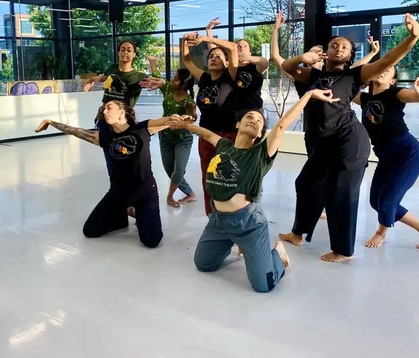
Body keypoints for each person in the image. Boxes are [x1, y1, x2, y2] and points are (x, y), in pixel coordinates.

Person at [278, 13, 419, 262]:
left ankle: (344, 250)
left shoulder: (355, 76)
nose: (338, 48)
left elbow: (388, 59)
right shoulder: (313, 76)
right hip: (324, 143)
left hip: (349, 142)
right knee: (306, 183)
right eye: (334, 45)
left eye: (344, 46)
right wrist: (303, 57)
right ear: (326, 51)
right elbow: (286, 67)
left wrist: (413, 37)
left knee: (340, 193)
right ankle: (297, 233)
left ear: (350, 55)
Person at [167, 88, 338, 292]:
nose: (254, 120)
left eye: (259, 121)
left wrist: (308, 95)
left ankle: (276, 254)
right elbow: (206, 133)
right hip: (219, 221)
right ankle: (233, 243)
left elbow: (282, 125)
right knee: (203, 265)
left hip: (248, 224)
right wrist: (186, 125)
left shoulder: (260, 154)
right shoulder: (225, 147)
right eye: (249, 117)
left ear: (259, 134)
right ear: (238, 124)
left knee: (263, 286)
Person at [270, 11, 381, 221]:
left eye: (318, 52)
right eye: (312, 52)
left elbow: (356, 68)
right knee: (314, 176)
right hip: (314, 133)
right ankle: (315, 209)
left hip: (337, 131)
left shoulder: (339, 75)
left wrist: (372, 54)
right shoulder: (304, 77)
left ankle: (324, 208)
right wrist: (276, 30)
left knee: (327, 175)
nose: (315, 54)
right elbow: (279, 60)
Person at [34, 100, 179, 248]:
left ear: (122, 112)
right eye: (104, 109)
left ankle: (137, 212)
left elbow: (167, 120)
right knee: (90, 230)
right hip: (118, 193)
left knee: (151, 241)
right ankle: (120, 218)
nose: (104, 112)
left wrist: (177, 117)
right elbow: (75, 131)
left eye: (109, 108)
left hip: (145, 192)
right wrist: (51, 122)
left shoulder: (143, 129)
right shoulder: (105, 137)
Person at [353, 68, 419, 249]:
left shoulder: (394, 94)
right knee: (376, 200)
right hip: (385, 156)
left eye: (388, 70)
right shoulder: (365, 99)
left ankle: (381, 233)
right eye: (381, 67)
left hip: (407, 154)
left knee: (388, 199)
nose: (382, 70)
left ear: (393, 81)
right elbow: (345, 89)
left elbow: (416, 97)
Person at [181, 31, 240, 216]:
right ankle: (212, 214)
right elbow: (188, 61)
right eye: (211, 56)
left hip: (228, 135)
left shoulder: (230, 76)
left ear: (227, 62)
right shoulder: (205, 78)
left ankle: (233, 213)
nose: (214, 58)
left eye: (218, 56)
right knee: (208, 175)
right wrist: (184, 42)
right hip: (206, 135)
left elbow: (231, 47)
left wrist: (207, 39)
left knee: (230, 176)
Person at [83, 41, 148, 176]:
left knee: (125, 153)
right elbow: (103, 77)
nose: (125, 52)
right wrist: (92, 80)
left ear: (134, 54)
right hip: (104, 118)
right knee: (110, 154)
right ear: (118, 52)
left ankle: (128, 182)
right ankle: (116, 185)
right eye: (122, 49)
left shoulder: (138, 76)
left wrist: (159, 81)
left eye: (129, 50)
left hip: (123, 122)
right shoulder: (112, 68)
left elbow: (155, 80)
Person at [141, 57, 198, 207]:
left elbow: (193, 118)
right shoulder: (168, 89)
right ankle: (190, 194)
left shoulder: (188, 101)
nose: (173, 80)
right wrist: (153, 62)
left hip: (182, 139)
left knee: (178, 171)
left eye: (177, 79)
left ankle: (170, 197)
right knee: (169, 170)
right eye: (174, 77)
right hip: (165, 136)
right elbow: (158, 77)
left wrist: (190, 116)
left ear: (185, 84)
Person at [206, 17, 269, 113]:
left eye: (245, 46)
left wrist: (246, 58)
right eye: (238, 46)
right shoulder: (231, 67)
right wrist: (208, 30)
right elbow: (214, 51)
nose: (241, 48)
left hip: (254, 110)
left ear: (250, 52)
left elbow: (265, 62)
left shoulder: (255, 67)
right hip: (234, 111)